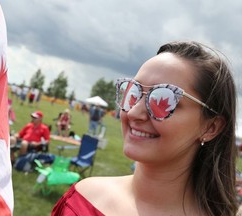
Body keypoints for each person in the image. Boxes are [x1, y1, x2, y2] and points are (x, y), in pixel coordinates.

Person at [51, 41, 239, 215]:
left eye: (163, 99)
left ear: (211, 127)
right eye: (133, 92)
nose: (133, 112)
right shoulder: (82, 199)